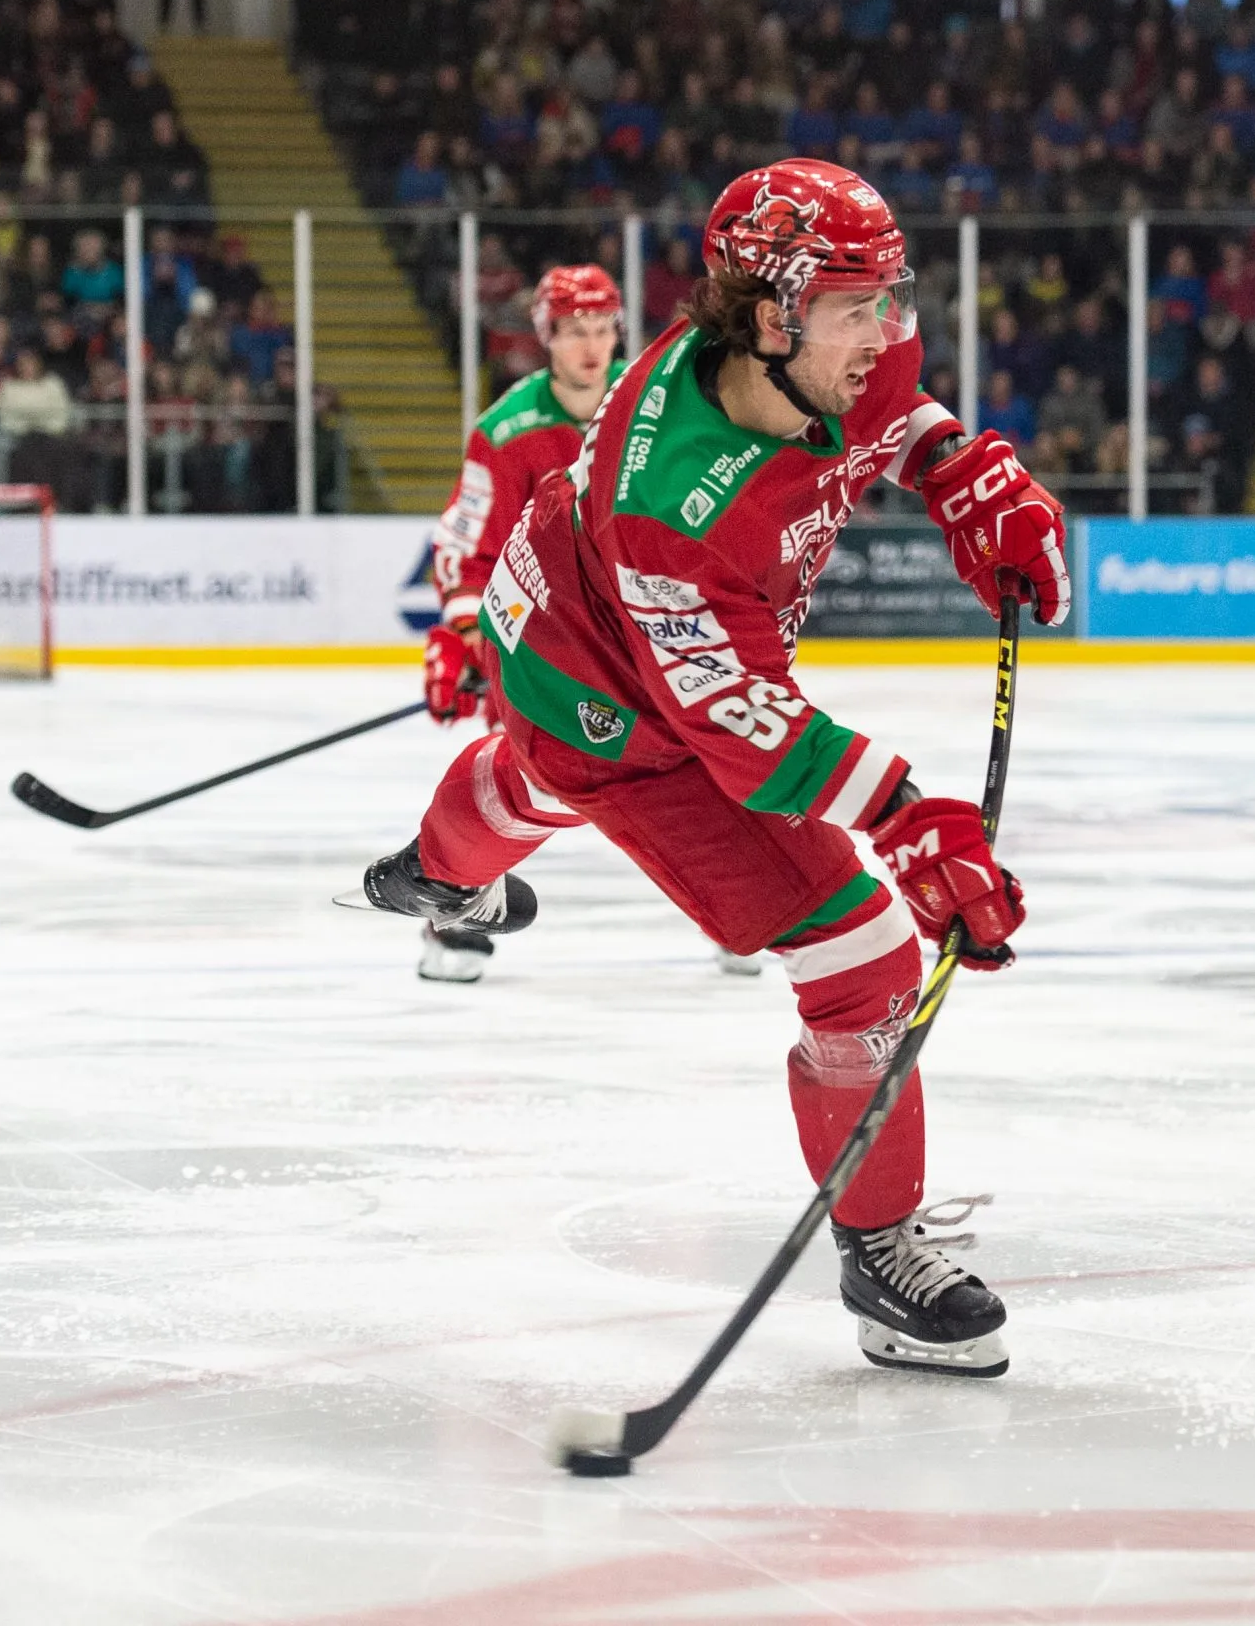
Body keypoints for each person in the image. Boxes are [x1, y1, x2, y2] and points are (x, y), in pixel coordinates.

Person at [358, 158, 1069, 1377]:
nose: (889, 331)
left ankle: (440, 874)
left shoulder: (835, 347)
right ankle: (879, 1248)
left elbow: (903, 415)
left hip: (612, 634)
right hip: (597, 684)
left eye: (892, 298)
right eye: (861, 306)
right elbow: (743, 729)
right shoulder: (668, 503)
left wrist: (962, 476)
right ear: (769, 313)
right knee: (857, 951)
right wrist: (903, 818)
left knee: (523, 785)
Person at [412, 264, 631, 983]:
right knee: (515, 777)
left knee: (704, 764)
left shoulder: (650, 407)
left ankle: (744, 907)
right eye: (575, 332)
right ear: (548, 337)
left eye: (602, 329)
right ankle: (455, 910)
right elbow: (465, 546)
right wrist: (461, 627)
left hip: (641, 632)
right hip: (535, 641)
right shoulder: (506, 430)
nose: (592, 346)